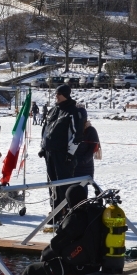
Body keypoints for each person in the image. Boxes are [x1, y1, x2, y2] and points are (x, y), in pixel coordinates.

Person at [21, 185, 104, 275]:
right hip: (94, 266)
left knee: (30, 270)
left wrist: (44, 256)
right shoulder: (95, 214)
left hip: (76, 269)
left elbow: (56, 245)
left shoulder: (75, 219)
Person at [38, 85, 84, 224]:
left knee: (63, 184)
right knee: (52, 183)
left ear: (65, 95)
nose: (56, 96)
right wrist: (43, 147)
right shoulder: (53, 110)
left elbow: (77, 135)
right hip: (49, 152)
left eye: (58, 94)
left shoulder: (73, 111)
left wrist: (70, 153)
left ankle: (65, 211)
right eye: (55, 94)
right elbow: (45, 129)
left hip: (63, 154)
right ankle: (55, 210)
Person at [73, 107, 99, 182]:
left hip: (85, 166)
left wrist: (83, 161)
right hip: (73, 165)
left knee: (82, 189)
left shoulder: (90, 130)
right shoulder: (72, 129)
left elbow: (93, 149)